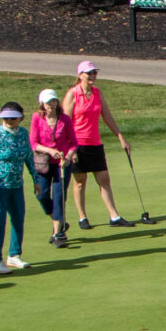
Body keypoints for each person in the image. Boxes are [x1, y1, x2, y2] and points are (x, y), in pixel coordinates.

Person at [63, 61, 132, 229]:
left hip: (95, 143)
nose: (93, 76)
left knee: (104, 180)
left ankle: (114, 216)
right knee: (80, 182)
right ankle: (82, 217)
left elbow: (107, 116)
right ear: (80, 75)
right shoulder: (72, 94)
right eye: (89, 73)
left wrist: (120, 137)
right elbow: (65, 123)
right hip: (78, 144)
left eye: (95, 72)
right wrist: (71, 149)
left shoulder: (97, 93)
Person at [0, 101, 33, 274]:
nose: (10, 121)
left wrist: (35, 179)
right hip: (0, 187)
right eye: (6, 118)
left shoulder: (23, 134)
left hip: (17, 185)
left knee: (18, 218)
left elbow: (28, 157)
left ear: (21, 118)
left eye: (13, 118)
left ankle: (14, 255)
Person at [29, 90, 76, 248]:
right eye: (48, 102)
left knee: (58, 196)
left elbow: (73, 143)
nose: (51, 105)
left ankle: (57, 233)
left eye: (54, 101)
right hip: (43, 163)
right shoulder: (37, 118)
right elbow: (33, 143)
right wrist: (50, 151)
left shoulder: (64, 119)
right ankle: (59, 220)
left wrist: (68, 157)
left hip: (62, 164)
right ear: (42, 103)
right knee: (41, 194)